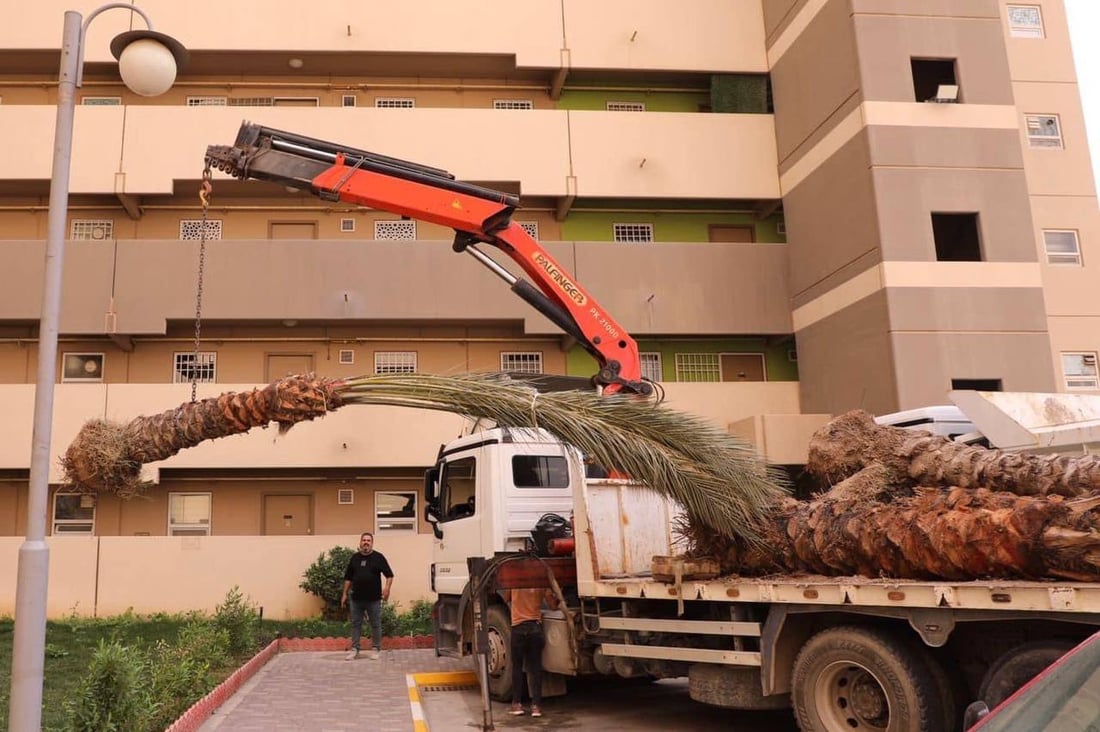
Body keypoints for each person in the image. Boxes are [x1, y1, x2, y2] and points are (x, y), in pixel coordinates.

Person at [503, 586, 558, 717]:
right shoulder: (540, 582)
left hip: (518, 628)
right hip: (535, 628)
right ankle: (536, 707)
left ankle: (517, 704)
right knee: (535, 668)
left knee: (517, 667)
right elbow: (552, 605)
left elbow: (506, 598)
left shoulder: (515, 582)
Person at [340, 531, 394, 660]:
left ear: (372, 543)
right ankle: (355, 649)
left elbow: (389, 575)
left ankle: (376, 649)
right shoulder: (355, 558)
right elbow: (348, 578)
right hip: (356, 599)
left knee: (375, 624)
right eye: (364, 540)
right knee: (355, 624)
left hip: (373, 599)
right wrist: (344, 594)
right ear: (360, 542)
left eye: (368, 540)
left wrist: (387, 589)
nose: (366, 542)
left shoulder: (379, 557)